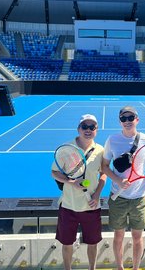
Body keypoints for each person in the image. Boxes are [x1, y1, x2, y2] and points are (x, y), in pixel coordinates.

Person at [102, 106, 145, 270]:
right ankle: (119, 267)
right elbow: (104, 167)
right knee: (118, 235)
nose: (127, 121)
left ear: (137, 120)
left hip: (139, 198)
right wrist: (118, 180)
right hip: (118, 198)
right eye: (123, 118)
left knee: (137, 236)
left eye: (130, 117)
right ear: (120, 122)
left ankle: (135, 268)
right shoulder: (112, 140)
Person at [51, 114, 106, 270]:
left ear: (96, 130)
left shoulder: (101, 150)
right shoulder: (66, 148)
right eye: (84, 127)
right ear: (78, 129)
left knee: (93, 243)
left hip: (91, 206)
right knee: (67, 243)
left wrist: (97, 195)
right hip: (69, 205)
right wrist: (72, 182)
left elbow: (103, 173)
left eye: (92, 127)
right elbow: (54, 172)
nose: (88, 130)